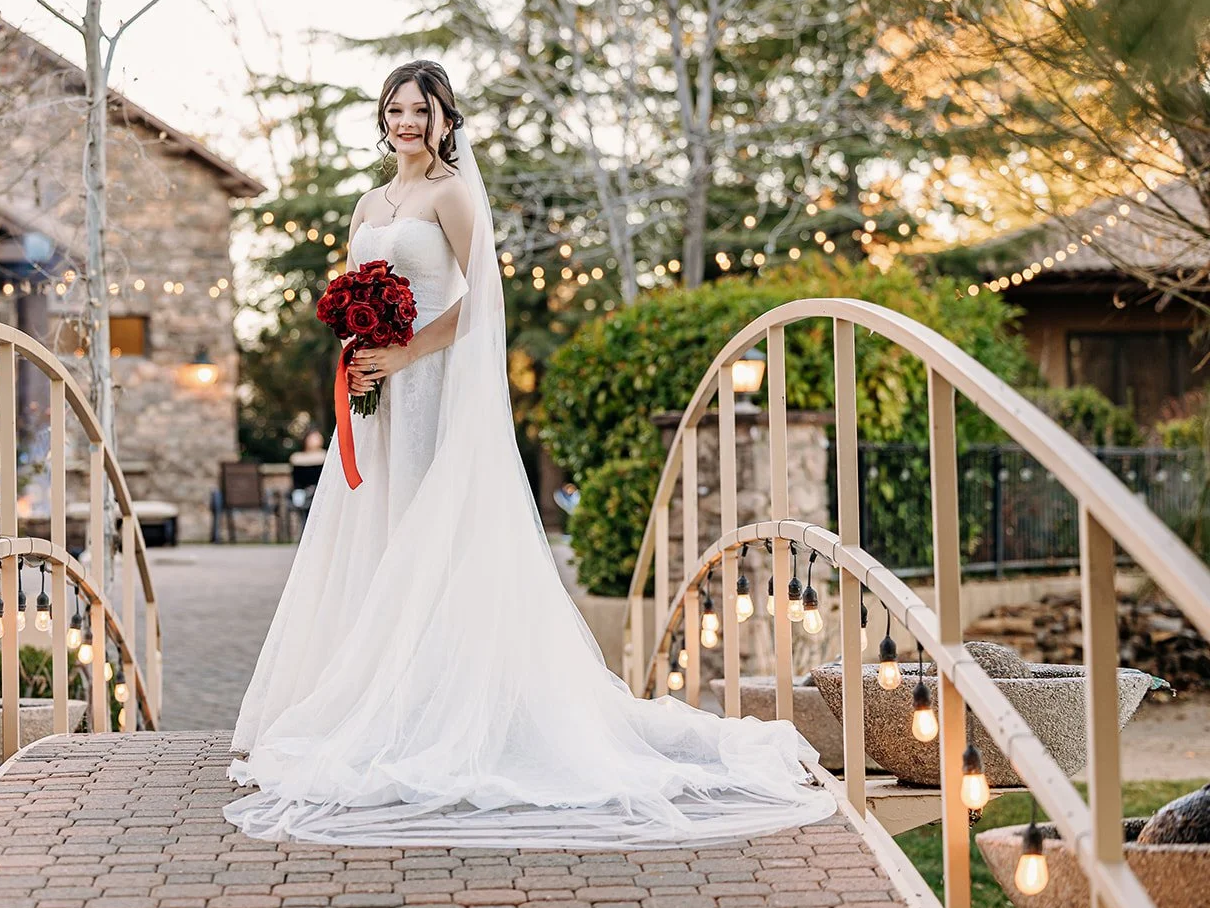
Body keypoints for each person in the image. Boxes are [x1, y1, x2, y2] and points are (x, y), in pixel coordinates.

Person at [225, 60, 834, 848]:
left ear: (446, 119)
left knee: (427, 537)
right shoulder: (369, 201)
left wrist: (408, 354)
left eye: (421, 110)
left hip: (433, 387)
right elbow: (354, 286)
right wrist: (360, 354)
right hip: (377, 396)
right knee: (374, 538)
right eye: (396, 109)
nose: (406, 122)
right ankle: (379, 700)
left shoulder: (452, 192)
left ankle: (436, 711)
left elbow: (482, 298)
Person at [287, 429, 327, 534]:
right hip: (303, 492)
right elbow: (296, 480)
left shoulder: (325, 456)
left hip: (320, 491)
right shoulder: (298, 458)